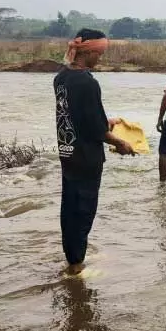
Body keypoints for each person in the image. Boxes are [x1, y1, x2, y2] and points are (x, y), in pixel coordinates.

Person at [54, 28, 134, 276]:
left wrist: (105, 122)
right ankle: (77, 266)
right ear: (87, 51)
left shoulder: (61, 77)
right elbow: (95, 130)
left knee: (69, 208)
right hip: (87, 158)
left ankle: (72, 258)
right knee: (84, 210)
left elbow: (77, 117)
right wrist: (121, 143)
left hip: (67, 153)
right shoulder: (88, 82)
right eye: (99, 53)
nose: (100, 58)